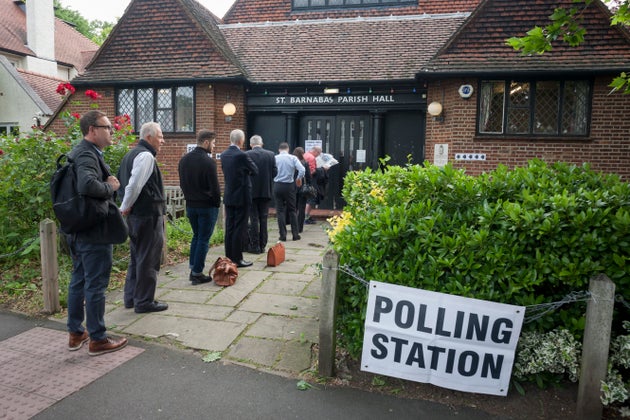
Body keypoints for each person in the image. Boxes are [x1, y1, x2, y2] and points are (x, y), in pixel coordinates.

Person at [66, 110, 128, 356]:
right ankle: (98, 339)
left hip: (80, 230)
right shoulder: (86, 154)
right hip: (94, 232)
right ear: (92, 130)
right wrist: (110, 186)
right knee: (95, 285)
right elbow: (87, 185)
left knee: (79, 280)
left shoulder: (80, 152)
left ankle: (76, 333)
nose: (111, 131)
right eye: (107, 127)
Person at [118, 122, 169, 313]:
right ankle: (144, 301)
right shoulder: (146, 156)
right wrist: (125, 207)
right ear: (149, 137)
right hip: (147, 215)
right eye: (160, 136)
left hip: (137, 216)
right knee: (148, 259)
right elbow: (134, 186)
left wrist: (126, 207)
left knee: (136, 257)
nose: (163, 140)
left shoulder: (129, 155)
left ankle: (131, 298)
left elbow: (123, 184)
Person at [178, 130, 221, 285]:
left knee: (196, 237)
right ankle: (197, 273)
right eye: (213, 143)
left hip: (191, 205)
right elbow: (215, 188)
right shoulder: (208, 162)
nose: (214, 146)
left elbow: (182, 184)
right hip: (206, 206)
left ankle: (193, 268)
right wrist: (217, 203)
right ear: (206, 142)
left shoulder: (183, 160)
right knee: (203, 239)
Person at [221, 129, 258, 267]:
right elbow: (255, 170)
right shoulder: (241, 155)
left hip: (229, 194)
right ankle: (237, 258)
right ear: (241, 141)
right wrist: (246, 171)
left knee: (229, 226)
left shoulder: (224, 154)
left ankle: (229, 256)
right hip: (242, 196)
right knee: (239, 228)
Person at [245, 135, 277, 254]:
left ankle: (254, 245)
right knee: (263, 219)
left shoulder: (247, 154)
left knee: (253, 219)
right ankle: (263, 244)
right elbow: (275, 172)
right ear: (262, 143)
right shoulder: (270, 154)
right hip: (265, 191)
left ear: (251, 144)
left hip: (251, 191)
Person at [273, 142, 305, 241]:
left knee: (280, 211)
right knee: (292, 210)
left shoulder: (274, 158)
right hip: (289, 186)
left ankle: (282, 235)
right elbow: (302, 169)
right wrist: (298, 179)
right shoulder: (293, 158)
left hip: (278, 185)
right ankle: (295, 235)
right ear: (288, 149)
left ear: (279, 150)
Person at [292, 147, 312, 233]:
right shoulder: (305, 163)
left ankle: (293, 226)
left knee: (293, 208)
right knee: (301, 207)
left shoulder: (291, 162)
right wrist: (309, 185)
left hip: (292, 187)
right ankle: (299, 228)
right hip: (302, 187)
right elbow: (308, 176)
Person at [303, 146, 321, 225]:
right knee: (310, 199)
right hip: (310, 181)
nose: (318, 155)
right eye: (319, 153)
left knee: (305, 199)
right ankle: (306, 217)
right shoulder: (312, 158)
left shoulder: (305, 154)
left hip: (303, 181)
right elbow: (312, 171)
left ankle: (304, 216)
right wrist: (320, 169)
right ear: (315, 151)